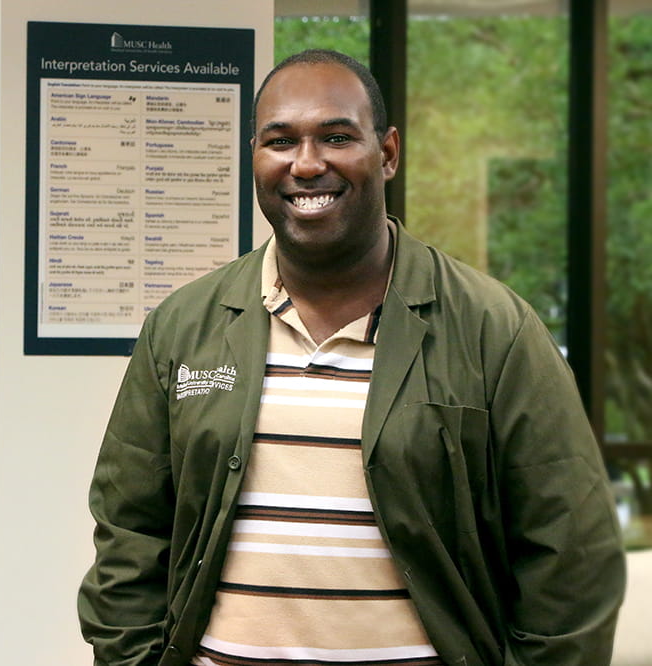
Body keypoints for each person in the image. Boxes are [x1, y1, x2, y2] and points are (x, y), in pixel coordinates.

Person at [78, 49, 625, 666]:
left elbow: (571, 552)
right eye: (280, 141)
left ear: (387, 153)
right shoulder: (182, 328)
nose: (307, 165)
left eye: (336, 137)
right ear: (254, 157)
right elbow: (130, 531)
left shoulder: (492, 328)